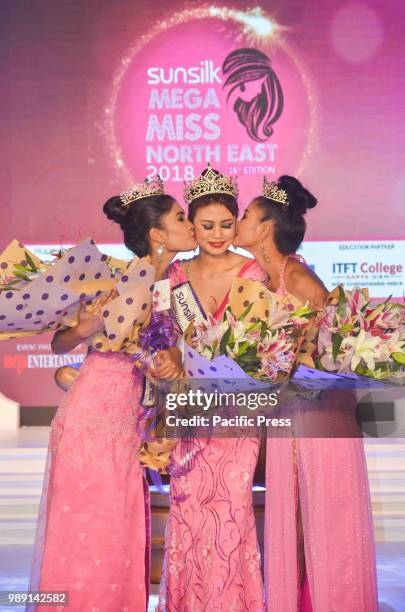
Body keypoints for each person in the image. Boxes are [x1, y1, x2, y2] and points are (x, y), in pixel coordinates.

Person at [28, 178, 196, 611]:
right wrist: (87, 329)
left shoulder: (173, 282)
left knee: (116, 523)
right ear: (158, 234)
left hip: (123, 415)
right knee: (88, 523)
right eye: (181, 218)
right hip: (95, 415)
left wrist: (172, 355)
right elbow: (85, 341)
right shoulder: (129, 274)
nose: (191, 224)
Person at [234, 175, 378, 611]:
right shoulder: (266, 276)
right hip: (290, 413)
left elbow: (330, 357)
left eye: (244, 216)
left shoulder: (299, 278)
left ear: (263, 229)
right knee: (295, 519)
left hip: (317, 416)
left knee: (321, 517)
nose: (237, 222)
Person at [157, 166, 266, 611]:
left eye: (226, 224)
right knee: (189, 505)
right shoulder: (175, 275)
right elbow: (163, 337)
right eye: (206, 225)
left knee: (232, 504)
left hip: (238, 410)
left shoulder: (255, 272)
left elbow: (268, 343)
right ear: (192, 226)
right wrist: (167, 361)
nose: (218, 234)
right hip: (191, 407)